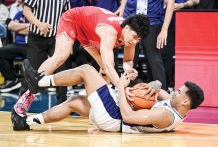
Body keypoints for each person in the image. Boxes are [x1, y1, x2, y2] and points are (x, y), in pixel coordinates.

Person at [13, 6, 150, 117]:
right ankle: (27, 96)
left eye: (138, 40)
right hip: (73, 19)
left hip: (90, 30)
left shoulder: (131, 37)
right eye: (134, 37)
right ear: (126, 28)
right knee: (61, 56)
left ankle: (99, 106)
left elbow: (127, 61)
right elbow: (109, 66)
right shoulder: (110, 32)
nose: (134, 41)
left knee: (106, 67)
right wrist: (122, 88)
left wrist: (128, 70)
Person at [11, 59, 204, 133]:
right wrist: (155, 84)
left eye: (179, 92)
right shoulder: (174, 106)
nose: (175, 91)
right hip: (114, 117)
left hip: (115, 117)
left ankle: (39, 82)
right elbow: (159, 87)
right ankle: (27, 123)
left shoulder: (165, 115)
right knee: (74, 102)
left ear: (186, 101)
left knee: (87, 70)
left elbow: (129, 117)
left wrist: (121, 86)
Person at [12, 0, 71, 117]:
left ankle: (62, 105)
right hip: (36, 38)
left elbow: (67, 17)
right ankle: (19, 110)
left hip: (56, 38)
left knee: (61, 69)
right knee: (30, 73)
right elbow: (26, 11)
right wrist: (39, 24)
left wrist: (68, 42)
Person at [117, 0, 175, 90]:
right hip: (131, 19)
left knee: (154, 59)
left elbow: (171, 2)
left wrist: (164, 29)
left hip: (152, 21)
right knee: (129, 59)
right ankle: (127, 91)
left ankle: (162, 94)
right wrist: (120, 18)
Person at [0, 0, 29, 93]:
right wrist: (27, 26)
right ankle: (13, 79)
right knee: (1, 52)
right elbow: (10, 26)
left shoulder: (38, 16)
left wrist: (19, 27)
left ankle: (34, 84)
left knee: (36, 57)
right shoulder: (19, 13)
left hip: (32, 46)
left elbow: (33, 31)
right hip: (17, 44)